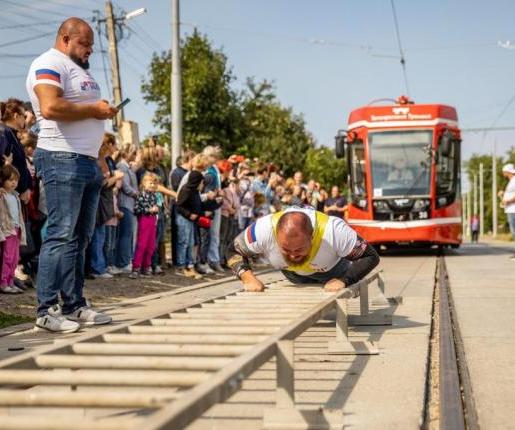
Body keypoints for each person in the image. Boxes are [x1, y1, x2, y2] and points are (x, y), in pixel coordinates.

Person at [27, 18, 118, 333]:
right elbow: (50, 107)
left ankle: (74, 305)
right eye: (85, 43)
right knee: (61, 234)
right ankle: (46, 310)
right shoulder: (49, 63)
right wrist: (95, 110)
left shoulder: (78, 68)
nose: (90, 50)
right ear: (66, 39)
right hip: (61, 157)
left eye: (91, 45)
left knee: (80, 238)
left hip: (86, 161)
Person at [228, 207, 380, 292]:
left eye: (298, 249)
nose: (293, 256)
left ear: (312, 236)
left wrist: (345, 280)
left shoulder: (333, 230)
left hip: (333, 272)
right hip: (292, 274)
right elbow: (232, 250)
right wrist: (247, 277)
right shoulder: (262, 230)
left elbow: (371, 256)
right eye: (286, 249)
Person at [0, 165, 26, 294]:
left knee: (15, 258)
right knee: (7, 258)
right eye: (10, 180)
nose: (14, 183)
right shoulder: (2, 195)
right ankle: (3, 282)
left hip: (16, 230)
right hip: (7, 230)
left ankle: (10, 281)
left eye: (16, 180)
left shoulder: (15, 196)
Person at [130, 173, 159, 278]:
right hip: (144, 220)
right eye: (150, 183)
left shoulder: (154, 196)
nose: (152, 185)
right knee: (142, 244)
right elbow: (136, 209)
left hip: (153, 221)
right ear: (144, 183)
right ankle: (136, 267)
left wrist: (156, 210)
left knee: (151, 246)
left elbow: (155, 208)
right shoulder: (141, 195)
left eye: (154, 183)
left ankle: (146, 267)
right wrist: (148, 210)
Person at [500, 163, 515, 260]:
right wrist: (503, 194)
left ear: (508, 171)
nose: (503, 173)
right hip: (510, 209)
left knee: (514, 231)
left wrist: (508, 201)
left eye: (504, 171)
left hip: (513, 209)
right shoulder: (511, 181)